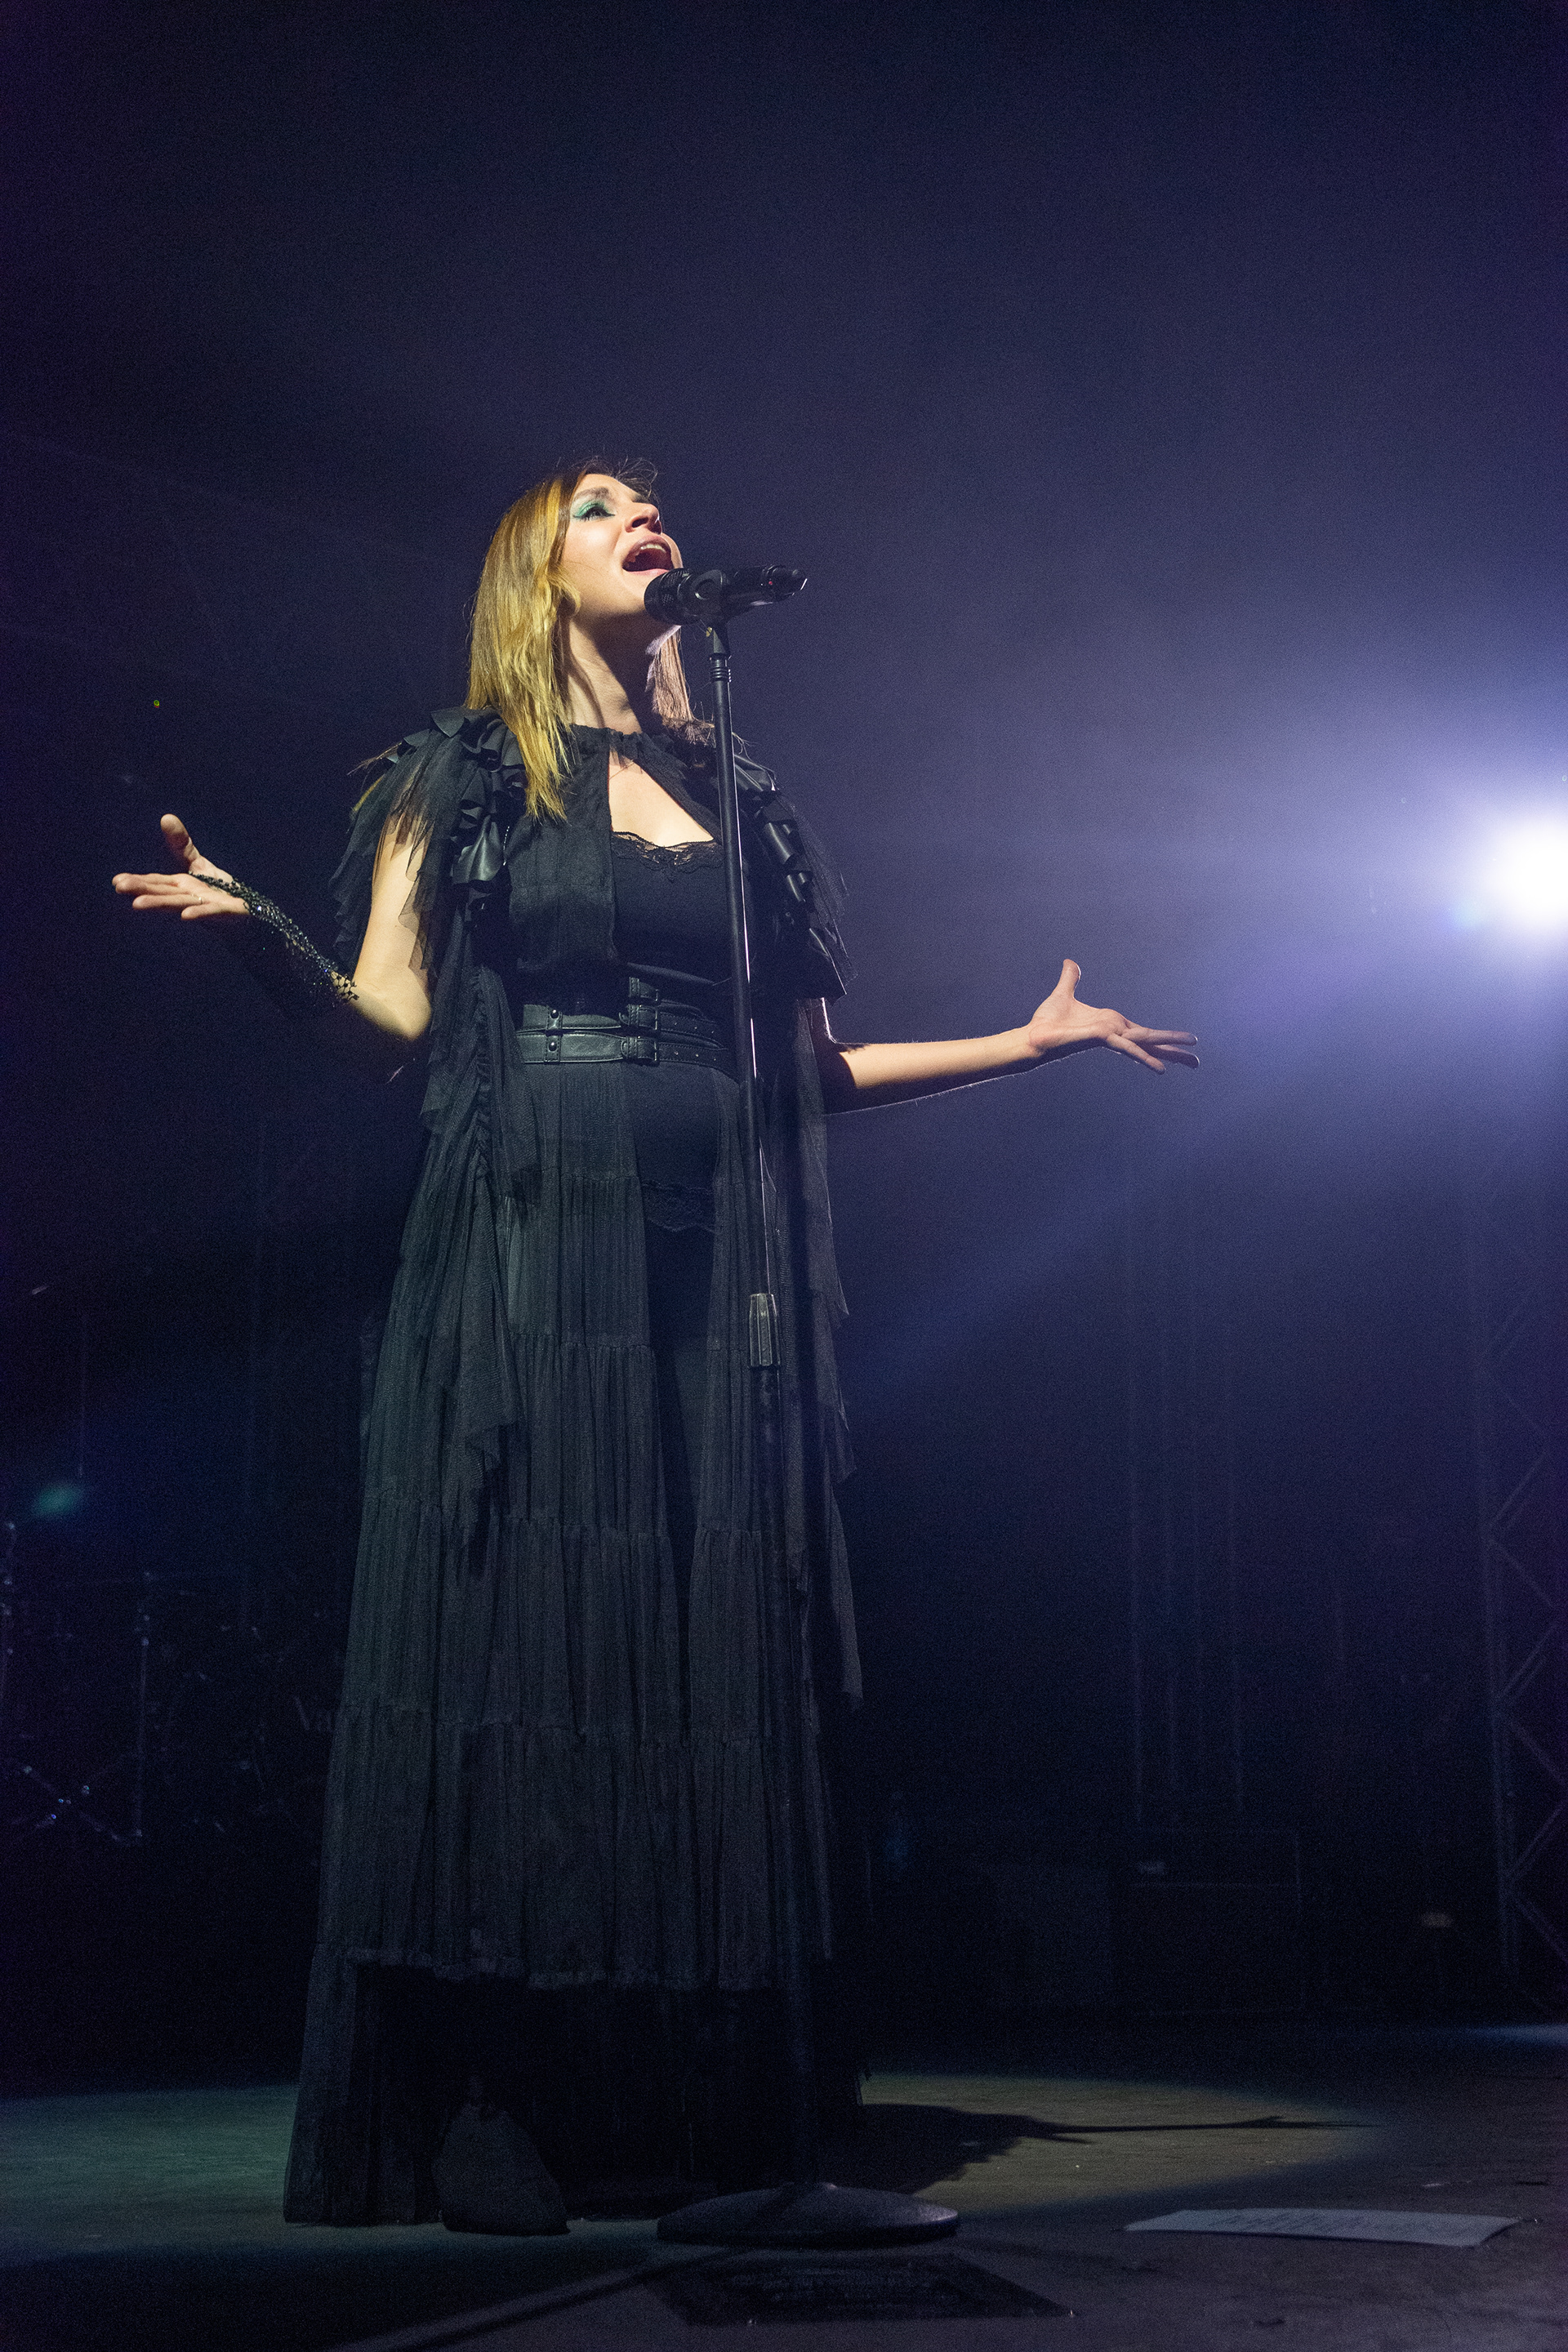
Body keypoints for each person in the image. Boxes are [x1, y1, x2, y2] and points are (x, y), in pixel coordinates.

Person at [114, 461, 1196, 2228]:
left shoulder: (743, 797)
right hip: (535, 1239)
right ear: (532, 573)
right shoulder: (458, 773)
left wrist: (1027, 1043)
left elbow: (813, 1074)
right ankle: (489, 2093)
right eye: (599, 503)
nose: (646, 514)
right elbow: (389, 1022)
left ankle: (685, 2114)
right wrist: (259, 939)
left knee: (693, 1668)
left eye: (651, 500)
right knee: (528, 1654)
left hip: (715, 1274)